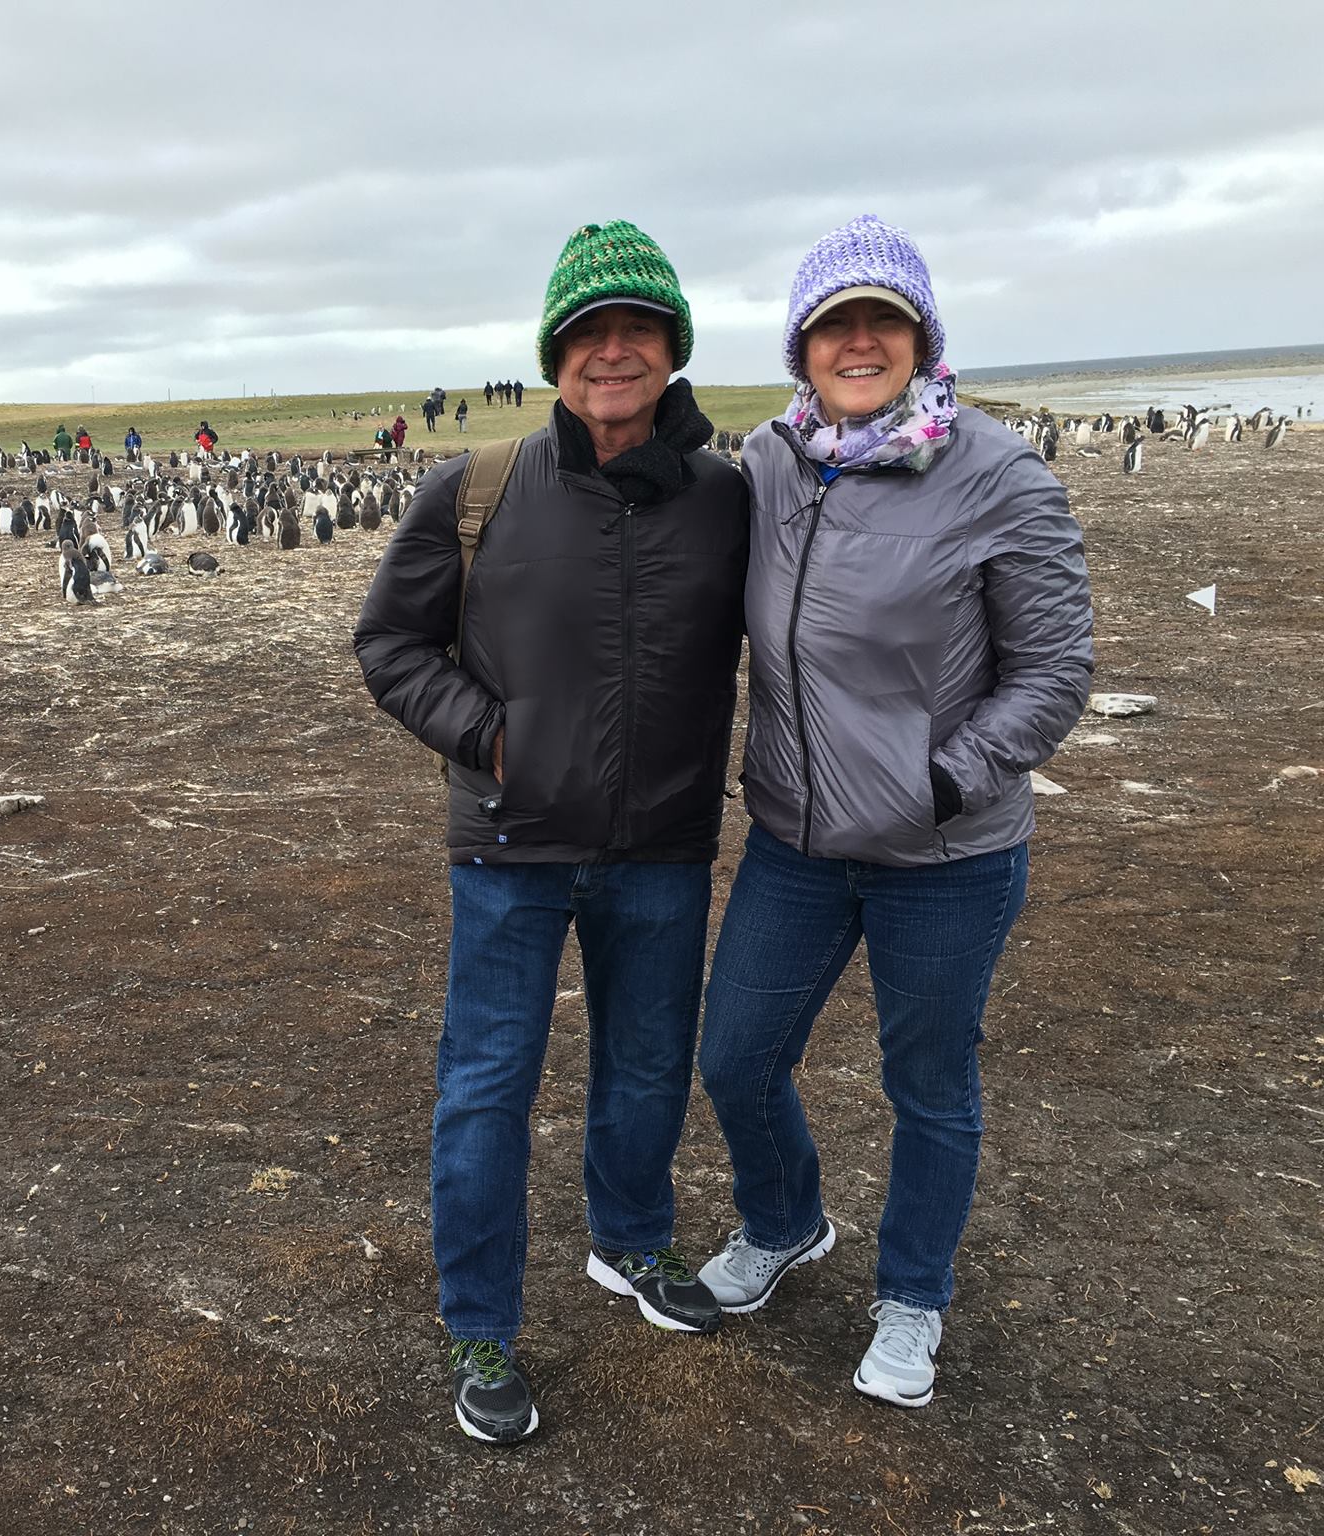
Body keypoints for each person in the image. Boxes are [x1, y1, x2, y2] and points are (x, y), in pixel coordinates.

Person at [354, 219, 748, 1444]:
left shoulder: (727, 498)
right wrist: (490, 741)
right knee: (486, 1087)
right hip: (510, 848)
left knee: (643, 1069)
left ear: (672, 349)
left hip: (663, 849)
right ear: (553, 358)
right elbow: (389, 645)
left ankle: (628, 1242)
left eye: (635, 330)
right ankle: (479, 1322)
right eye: (587, 334)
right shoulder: (474, 491)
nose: (611, 352)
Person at [694, 214, 1094, 1410]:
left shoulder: (997, 473)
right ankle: (784, 1222)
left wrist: (942, 778)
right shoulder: (767, 465)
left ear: (919, 338)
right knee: (734, 1057)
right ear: (799, 347)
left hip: (946, 852)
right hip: (797, 843)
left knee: (928, 1083)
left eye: (881, 319)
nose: (856, 340)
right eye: (832, 322)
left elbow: (1053, 670)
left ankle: (911, 1297)